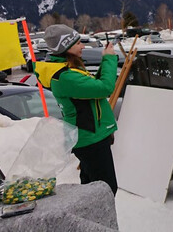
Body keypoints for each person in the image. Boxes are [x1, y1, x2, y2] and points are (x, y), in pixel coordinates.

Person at [34, 24, 119, 194]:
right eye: (78, 43)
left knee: (90, 186)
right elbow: (105, 88)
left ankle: (90, 218)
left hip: (89, 135)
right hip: (89, 138)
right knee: (105, 190)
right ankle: (98, 219)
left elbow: (92, 87)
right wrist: (109, 59)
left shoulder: (67, 71)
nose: (82, 46)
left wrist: (104, 62)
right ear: (66, 47)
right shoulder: (66, 77)